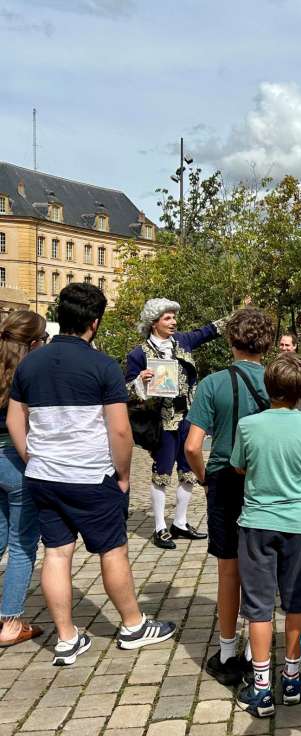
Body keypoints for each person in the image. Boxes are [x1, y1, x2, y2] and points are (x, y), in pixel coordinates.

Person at [7, 283, 176, 665]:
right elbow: (120, 431)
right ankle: (133, 625)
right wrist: (123, 475)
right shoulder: (102, 366)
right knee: (112, 549)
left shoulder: (30, 363)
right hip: (90, 476)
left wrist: (32, 458)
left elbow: (16, 419)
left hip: (44, 475)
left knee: (56, 552)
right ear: (95, 323)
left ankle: (67, 638)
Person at [184, 308, 273, 686]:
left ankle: (226, 652)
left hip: (223, 477)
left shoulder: (212, 384)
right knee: (261, 567)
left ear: (230, 340)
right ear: (267, 343)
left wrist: (205, 479)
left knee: (228, 569)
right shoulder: (277, 381)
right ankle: (257, 651)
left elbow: (192, 446)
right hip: (264, 480)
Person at [233, 354, 301, 718]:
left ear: (267, 386)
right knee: (296, 603)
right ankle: (291, 677)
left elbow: (239, 466)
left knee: (258, 607)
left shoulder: (248, 425)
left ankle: (260, 687)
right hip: (296, 525)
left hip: (256, 523)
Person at [126, 298, 227, 550]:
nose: (173, 322)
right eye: (168, 318)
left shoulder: (182, 341)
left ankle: (180, 522)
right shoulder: (139, 354)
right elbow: (125, 391)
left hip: (188, 415)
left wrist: (239, 316)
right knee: (162, 472)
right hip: (162, 419)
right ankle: (160, 526)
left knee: (188, 469)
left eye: (174, 317)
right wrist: (140, 381)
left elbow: (209, 331)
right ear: (154, 322)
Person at [0, 311, 47, 648]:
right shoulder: (29, 373)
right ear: (32, 343)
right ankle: (11, 622)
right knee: (22, 544)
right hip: (16, 459)